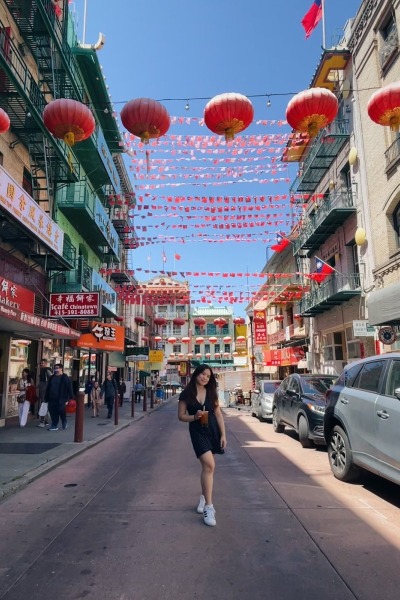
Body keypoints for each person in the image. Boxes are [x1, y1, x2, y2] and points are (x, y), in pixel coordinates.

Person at [178, 364, 227, 527]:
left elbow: (218, 414)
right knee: (209, 465)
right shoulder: (187, 393)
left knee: (209, 469)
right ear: (196, 374)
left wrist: (223, 435)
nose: (205, 377)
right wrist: (194, 416)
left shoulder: (211, 392)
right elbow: (181, 416)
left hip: (212, 430)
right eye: (202, 374)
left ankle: (203, 497)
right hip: (197, 431)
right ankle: (209, 507)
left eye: (208, 375)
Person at [45, 363, 74, 431]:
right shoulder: (52, 377)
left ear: (61, 369)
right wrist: (46, 397)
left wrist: (71, 397)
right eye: (55, 368)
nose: (56, 369)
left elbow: (69, 387)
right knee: (52, 411)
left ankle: (64, 421)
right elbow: (48, 387)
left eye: (57, 368)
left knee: (61, 410)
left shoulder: (65, 377)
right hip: (51, 398)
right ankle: (54, 425)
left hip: (61, 398)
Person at [37, 358, 52, 427]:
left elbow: (51, 378)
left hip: (45, 391)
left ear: (46, 364)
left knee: (43, 405)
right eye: (41, 363)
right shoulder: (43, 371)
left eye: (43, 363)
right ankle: (45, 420)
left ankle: (43, 421)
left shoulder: (46, 370)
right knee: (44, 405)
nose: (41, 364)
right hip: (43, 390)